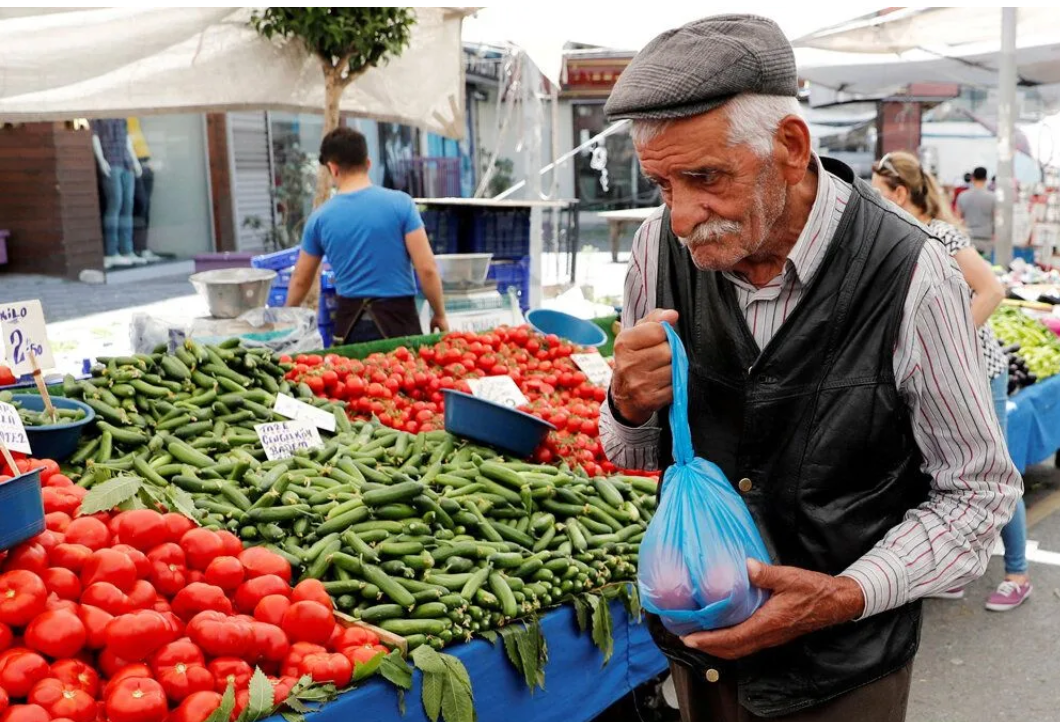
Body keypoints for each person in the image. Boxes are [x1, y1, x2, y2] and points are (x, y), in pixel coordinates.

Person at [600, 14, 1021, 722]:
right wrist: (626, 403)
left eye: (705, 178)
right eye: (663, 184)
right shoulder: (655, 251)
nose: (680, 217)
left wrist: (846, 595)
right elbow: (636, 451)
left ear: (791, 147)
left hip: (844, 677)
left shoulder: (911, 273)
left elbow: (978, 494)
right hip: (699, 658)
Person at [872, 151, 1031, 612]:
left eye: (881, 195)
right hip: (936, 380)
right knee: (942, 471)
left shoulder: (940, 235)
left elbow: (993, 290)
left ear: (901, 194)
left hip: (982, 373)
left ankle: (1018, 572)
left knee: (990, 472)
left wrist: (948, 345)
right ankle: (956, 569)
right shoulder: (897, 239)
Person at [285, 127, 448, 343]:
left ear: (333, 169)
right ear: (368, 163)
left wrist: (285, 318)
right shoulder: (401, 204)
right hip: (400, 324)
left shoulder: (319, 218)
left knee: (355, 376)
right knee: (405, 376)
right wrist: (439, 313)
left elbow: (300, 280)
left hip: (350, 328)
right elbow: (427, 269)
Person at [90, 118, 144, 269]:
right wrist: (101, 161)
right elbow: (94, 137)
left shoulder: (122, 117)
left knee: (128, 205)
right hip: (111, 161)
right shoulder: (98, 116)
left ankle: (127, 250)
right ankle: (111, 252)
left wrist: (134, 161)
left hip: (126, 162)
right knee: (116, 203)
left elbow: (126, 139)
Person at [956, 166, 996, 253]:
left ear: (973, 178)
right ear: (986, 179)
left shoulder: (962, 196)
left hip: (967, 238)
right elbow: (996, 218)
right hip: (986, 238)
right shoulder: (993, 197)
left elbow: (957, 218)